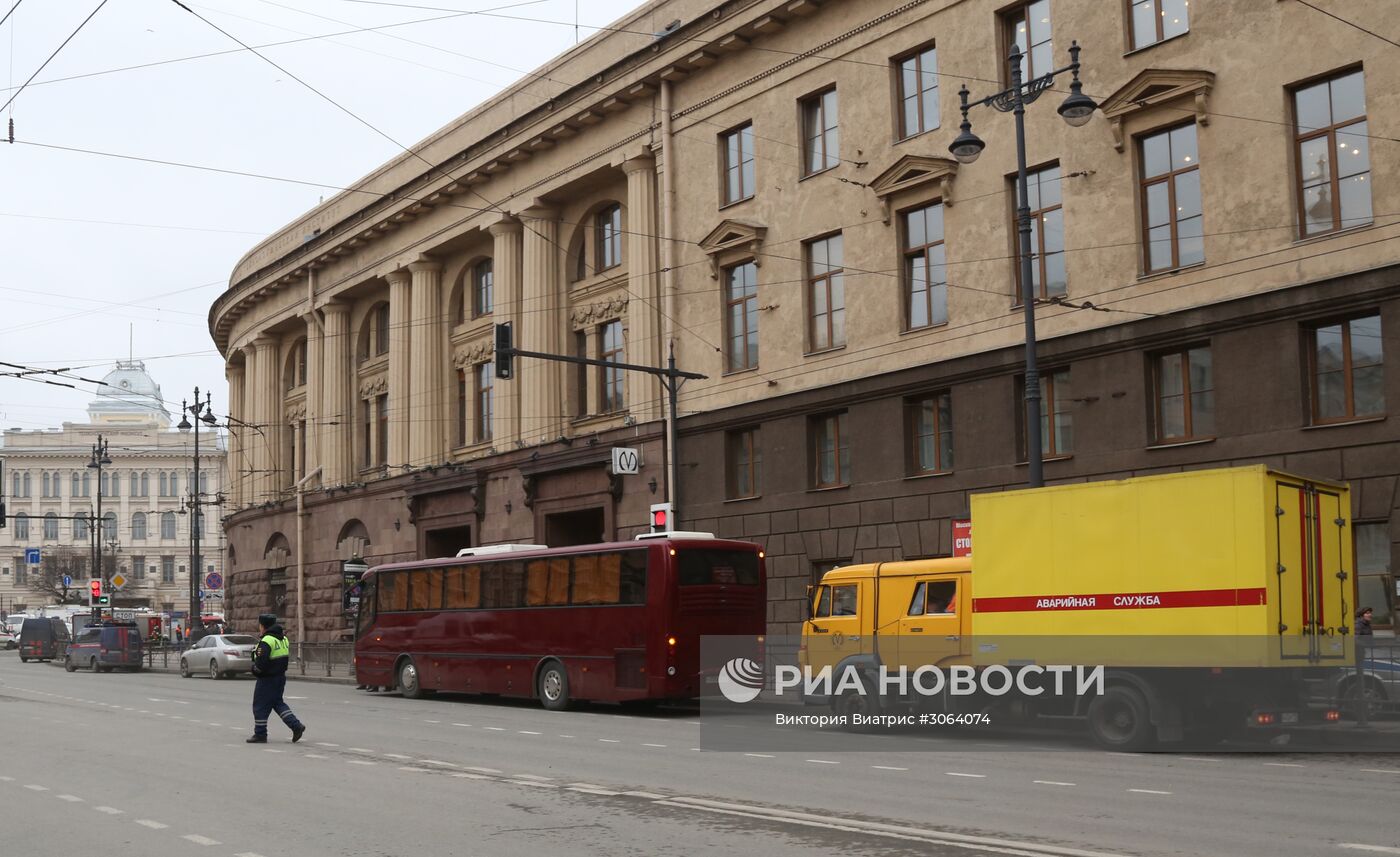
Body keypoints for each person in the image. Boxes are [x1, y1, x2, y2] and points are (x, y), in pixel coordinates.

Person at [247, 613, 306, 744]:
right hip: (280, 677)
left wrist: (254, 670)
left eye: (260, 625)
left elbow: (261, 662)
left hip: (267, 679)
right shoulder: (283, 639)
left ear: (263, 626)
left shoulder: (267, 641)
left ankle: (260, 734)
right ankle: (296, 726)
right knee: (277, 703)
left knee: (260, 706)